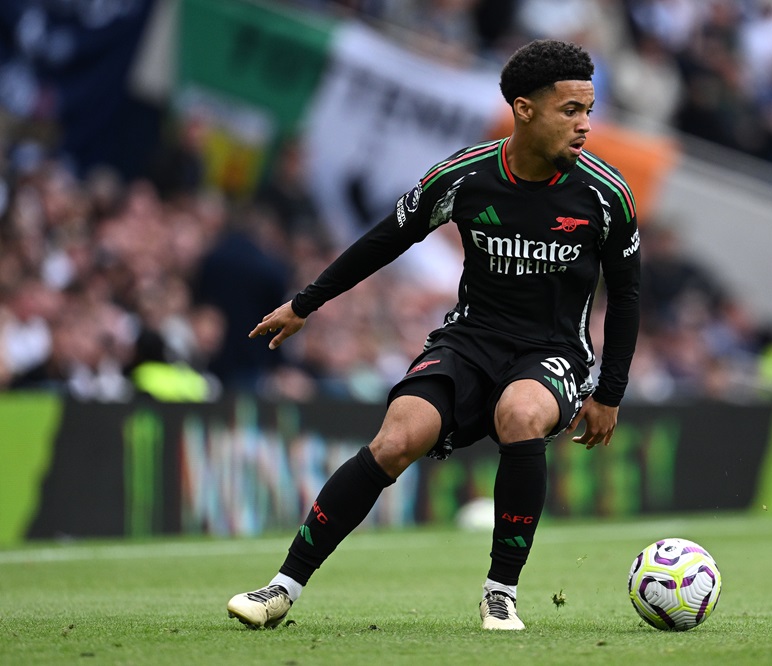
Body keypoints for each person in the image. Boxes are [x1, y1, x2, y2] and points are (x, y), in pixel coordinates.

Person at [226, 39, 641, 631]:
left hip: (554, 353)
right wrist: (304, 303)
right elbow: (384, 240)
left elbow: (625, 295)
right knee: (397, 439)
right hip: (469, 342)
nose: (585, 125)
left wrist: (611, 391)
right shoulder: (465, 178)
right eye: (570, 110)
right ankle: (281, 588)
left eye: (589, 111)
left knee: (521, 415)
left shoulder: (605, 194)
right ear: (525, 110)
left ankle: (500, 591)